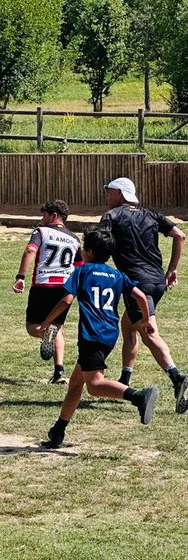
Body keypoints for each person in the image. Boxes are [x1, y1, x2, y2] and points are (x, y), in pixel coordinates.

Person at [39, 228, 159, 449]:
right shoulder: (117, 275)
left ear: (89, 251)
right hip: (109, 333)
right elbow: (141, 296)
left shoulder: (82, 271)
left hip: (91, 334)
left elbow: (66, 301)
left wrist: (47, 322)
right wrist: (147, 320)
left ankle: (139, 396)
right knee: (76, 383)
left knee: (93, 385)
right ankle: (58, 431)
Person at [99, 177, 188, 413]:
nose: (106, 196)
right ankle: (125, 379)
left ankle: (178, 378)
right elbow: (180, 236)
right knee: (127, 326)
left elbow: (100, 245)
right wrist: (172, 269)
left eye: (109, 191)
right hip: (157, 281)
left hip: (136, 284)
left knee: (148, 332)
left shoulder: (112, 216)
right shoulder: (151, 214)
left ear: (119, 193)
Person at [12, 200, 82, 384]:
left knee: (32, 326)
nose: (41, 219)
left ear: (54, 216)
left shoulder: (41, 232)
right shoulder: (75, 239)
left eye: (44, 215)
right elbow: (80, 266)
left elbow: (30, 250)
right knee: (57, 328)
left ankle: (45, 334)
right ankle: (59, 372)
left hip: (43, 285)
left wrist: (20, 276)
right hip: (65, 288)